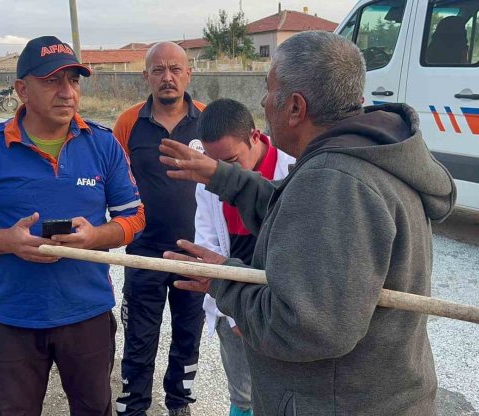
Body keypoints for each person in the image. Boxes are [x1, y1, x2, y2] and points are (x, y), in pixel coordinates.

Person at [159, 31, 456, 415]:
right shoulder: (365, 156)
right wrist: (223, 175)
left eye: (269, 90)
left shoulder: (336, 180)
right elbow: (297, 219)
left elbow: (304, 326)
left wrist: (223, 280)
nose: (264, 102)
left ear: (296, 107)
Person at [0, 35, 145, 416]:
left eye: (74, 80)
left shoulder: (102, 144)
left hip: (88, 316)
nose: (67, 92)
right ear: (22, 89)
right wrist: (8, 241)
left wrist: (96, 237)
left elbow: (134, 217)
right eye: (52, 81)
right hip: (14, 318)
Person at [111, 42, 205, 416]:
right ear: (146, 75)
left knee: (188, 336)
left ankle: (179, 403)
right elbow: (112, 180)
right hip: (145, 253)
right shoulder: (128, 123)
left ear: (188, 74)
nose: (168, 77)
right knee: (139, 339)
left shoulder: (207, 119)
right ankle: (133, 407)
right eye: (159, 70)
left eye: (176, 69)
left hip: (196, 254)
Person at [193, 98, 295, 416]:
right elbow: (209, 243)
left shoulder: (292, 168)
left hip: (278, 302)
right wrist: (236, 312)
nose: (222, 172)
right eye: (213, 163)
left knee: (286, 392)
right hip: (230, 300)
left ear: (254, 135)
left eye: (231, 161)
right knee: (242, 395)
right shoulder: (208, 178)